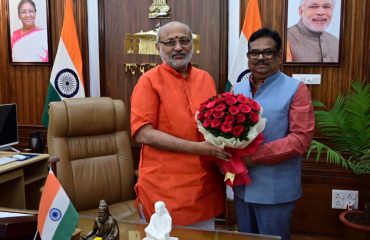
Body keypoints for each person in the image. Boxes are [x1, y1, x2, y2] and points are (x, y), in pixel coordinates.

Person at [130, 21, 230, 229]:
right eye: (170, 42)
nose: (178, 47)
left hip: (204, 185)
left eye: (184, 41)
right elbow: (143, 134)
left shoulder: (205, 79)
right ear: (158, 48)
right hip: (164, 187)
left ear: (191, 45)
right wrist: (198, 148)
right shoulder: (148, 81)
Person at [232, 28, 315, 240]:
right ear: (248, 56)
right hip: (242, 187)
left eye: (268, 52)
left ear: (279, 57)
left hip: (275, 191)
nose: (260, 57)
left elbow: (300, 140)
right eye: (254, 53)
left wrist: (254, 156)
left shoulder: (296, 89)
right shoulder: (237, 89)